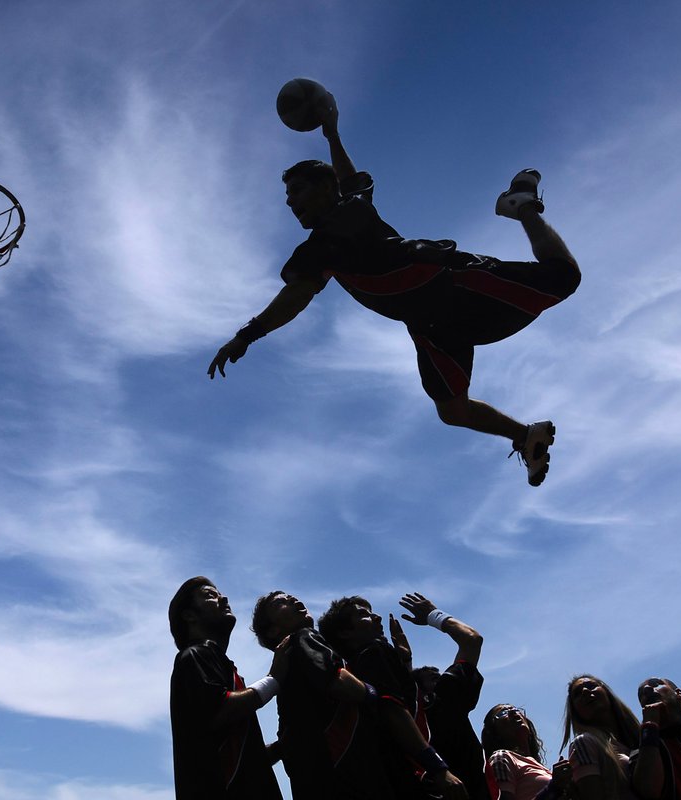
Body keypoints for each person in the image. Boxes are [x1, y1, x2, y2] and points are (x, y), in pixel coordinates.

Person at [207, 94, 581, 486]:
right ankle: (526, 435)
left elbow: (296, 296)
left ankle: (522, 205)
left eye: (297, 190)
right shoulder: (330, 233)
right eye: (287, 195)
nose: (290, 201)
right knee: (452, 411)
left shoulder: (340, 224)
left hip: (454, 284)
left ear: (324, 189)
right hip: (431, 326)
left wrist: (247, 335)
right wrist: (332, 137)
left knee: (565, 277)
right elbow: (348, 183)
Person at [318, 595, 469, 800]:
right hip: (406, 777)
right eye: (363, 615)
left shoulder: (355, 669)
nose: (377, 617)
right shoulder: (373, 652)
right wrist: (438, 768)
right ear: (345, 632)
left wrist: (404, 662)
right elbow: (393, 709)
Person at [250, 590, 394, 799]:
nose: (290, 598)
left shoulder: (290, 676)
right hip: (347, 778)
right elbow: (338, 682)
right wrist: (376, 696)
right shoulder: (303, 637)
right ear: (273, 631)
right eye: (278, 603)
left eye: (289, 596)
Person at [168, 577, 284, 800]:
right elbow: (220, 710)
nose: (224, 598)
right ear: (189, 615)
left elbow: (240, 758)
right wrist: (275, 679)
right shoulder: (194, 656)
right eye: (210, 595)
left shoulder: (224, 667)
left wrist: (281, 747)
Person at [392, 592, 488, 800]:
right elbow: (471, 640)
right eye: (433, 679)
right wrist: (432, 615)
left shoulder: (386, 713)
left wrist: (405, 664)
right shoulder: (445, 698)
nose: (440, 679)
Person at [560, 675, 641, 800]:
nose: (586, 691)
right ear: (575, 711)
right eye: (577, 693)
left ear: (606, 692)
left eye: (591, 686)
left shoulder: (640, 737)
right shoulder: (584, 743)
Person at [480, 703, 571, 800]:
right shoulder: (501, 758)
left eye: (515, 709)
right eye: (503, 713)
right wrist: (553, 788)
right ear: (494, 732)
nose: (512, 712)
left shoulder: (540, 767)